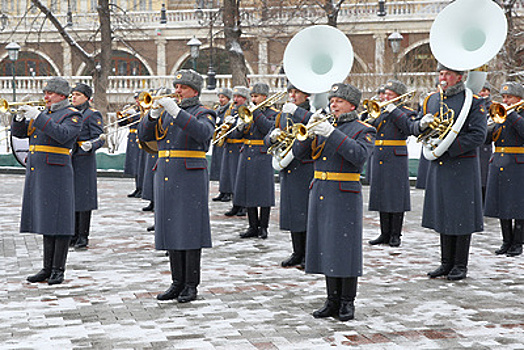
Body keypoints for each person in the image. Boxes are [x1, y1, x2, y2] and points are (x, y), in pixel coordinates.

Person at [293, 83, 376, 321]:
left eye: (339, 100)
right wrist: (309, 132)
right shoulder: (326, 126)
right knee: (327, 246)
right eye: (332, 100)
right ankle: (332, 299)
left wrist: (331, 133)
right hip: (321, 189)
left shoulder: (363, 129)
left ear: (352, 104)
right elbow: (300, 154)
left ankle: (347, 301)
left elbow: (358, 156)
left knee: (345, 248)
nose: (333, 104)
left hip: (344, 192)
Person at [137, 69, 215, 303]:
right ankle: (176, 281)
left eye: (182, 87)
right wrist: (151, 115)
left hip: (189, 175)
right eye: (176, 86)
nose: (177, 90)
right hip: (167, 173)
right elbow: (144, 137)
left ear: (195, 91)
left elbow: (203, 134)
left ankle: (191, 284)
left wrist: (177, 112)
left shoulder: (204, 112)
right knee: (171, 227)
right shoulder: (168, 112)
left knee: (189, 229)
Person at [414, 63, 487, 281]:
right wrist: (423, 126)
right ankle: (446, 263)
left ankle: (460, 264)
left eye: (447, 74)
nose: (442, 77)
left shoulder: (473, 102)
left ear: (459, 77)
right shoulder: (432, 99)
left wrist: (446, 147)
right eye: (441, 73)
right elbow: (419, 125)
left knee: (461, 215)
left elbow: (478, 135)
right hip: (439, 165)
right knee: (444, 213)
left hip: (461, 164)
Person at [11, 77, 83, 285]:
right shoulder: (45, 114)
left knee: (59, 221)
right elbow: (21, 134)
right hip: (40, 171)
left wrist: (39, 117)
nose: (46, 97)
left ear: (62, 95)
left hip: (57, 172)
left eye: (50, 93)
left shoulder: (72, 115)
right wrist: (18, 118)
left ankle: (58, 269)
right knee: (46, 220)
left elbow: (63, 135)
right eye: (45, 93)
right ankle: (47, 267)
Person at [265, 82, 314, 268]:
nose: (292, 95)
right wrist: (272, 137)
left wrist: (296, 112)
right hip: (288, 167)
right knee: (293, 212)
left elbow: (318, 123)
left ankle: (308, 254)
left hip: (306, 167)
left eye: (296, 92)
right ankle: (297, 251)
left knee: (307, 213)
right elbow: (268, 137)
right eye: (290, 92)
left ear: (306, 95)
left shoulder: (313, 112)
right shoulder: (282, 115)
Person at [366, 79, 417, 247]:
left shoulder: (405, 112)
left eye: (390, 95)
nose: (385, 97)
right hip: (379, 155)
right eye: (385, 94)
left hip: (396, 156)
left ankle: (396, 234)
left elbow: (409, 128)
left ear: (399, 97)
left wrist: (393, 110)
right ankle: (384, 233)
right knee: (381, 194)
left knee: (395, 196)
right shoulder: (380, 110)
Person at [484, 82, 524, 257]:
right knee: (502, 204)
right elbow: (486, 140)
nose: (506, 100)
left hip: (518, 163)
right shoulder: (499, 114)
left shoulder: (518, 114)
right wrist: (488, 127)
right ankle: (506, 241)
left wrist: (513, 114)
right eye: (504, 97)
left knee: (518, 205)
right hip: (499, 161)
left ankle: (518, 242)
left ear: (519, 99)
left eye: (510, 97)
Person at [233, 83, 277, 240]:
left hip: (263, 154)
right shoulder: (248, 113)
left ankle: (263, 227)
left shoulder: (273, 113)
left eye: (256, 96)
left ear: (265, 97)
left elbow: (267, 128)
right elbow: (238, 137)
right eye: (252, 96)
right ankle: (252, 226)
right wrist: (239, 127)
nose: (253, 99)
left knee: (264, 194)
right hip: (247, 153)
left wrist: (256, 113)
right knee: (249, 191)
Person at [70, 83, 105, 249]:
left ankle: (83, 235)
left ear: (86, 97)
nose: (73, 97)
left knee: (83, 199)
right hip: (70, 159)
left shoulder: (92, 114)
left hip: (84, 160)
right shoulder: (69, 113)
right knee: (71, 197)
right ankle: (73, 233)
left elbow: (100, 137)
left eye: (77, 94)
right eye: (72, 94)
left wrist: (91, 145)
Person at [220, 86, 250, 217]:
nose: (235, 99)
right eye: (235, 97)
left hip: (239, 147)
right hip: (230, 147)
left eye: (239, 97)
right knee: (232, 177)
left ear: (245, 99)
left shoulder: (246, 111)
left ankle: (243, 206)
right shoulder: (231, 110)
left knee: (241, 179)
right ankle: (235, 204)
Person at [211, 87, 233, 202]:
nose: (220, 99)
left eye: (223, 97)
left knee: (226, 169)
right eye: (219, 97)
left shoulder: (230, 109)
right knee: (220, 168)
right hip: (218, 141)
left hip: (225, 142)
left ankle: (228, 192)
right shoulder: (217, 109)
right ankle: (222, 191)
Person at [119, 91, 143, 198]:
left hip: (140, 139)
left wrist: (136, 115)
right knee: (134, 165)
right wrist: (123, 116)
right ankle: (138, 188)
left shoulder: (145, 110)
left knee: (140, 165)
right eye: (136, 99)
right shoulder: (135, 110)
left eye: (139, 98)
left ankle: (142, 188)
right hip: (132, 139)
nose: (137, 101)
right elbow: (122, 124)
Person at [478, 81, 493, 203]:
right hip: (474, 145)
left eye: (485, 90)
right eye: (480, 90)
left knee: (484, 176)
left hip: (485, 146)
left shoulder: (493, 107)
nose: (482, 93)